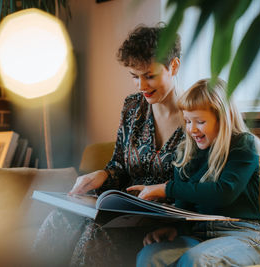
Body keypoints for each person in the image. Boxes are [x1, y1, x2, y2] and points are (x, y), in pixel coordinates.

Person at [31, 24, 185, 266]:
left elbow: (198, 184)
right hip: (122, 215)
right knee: (58, 218)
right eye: (134, 76)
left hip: (161, 226)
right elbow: (120, 165)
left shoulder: (196, 118)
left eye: (149, 75)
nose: (141, 86)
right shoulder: (133, 107)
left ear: (173, 66)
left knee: (95, 234)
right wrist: (102, 175)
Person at [127, 78, 260, 266]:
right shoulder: (186, 152)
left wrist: (167, 188)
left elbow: (224, 192)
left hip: (242, 235)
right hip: (197, 234)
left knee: (197, 260)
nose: (192, 129)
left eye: (200, 122)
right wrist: (176, 229)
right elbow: (186, 207)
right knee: (150, 256)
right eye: (187, 121)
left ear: (223, 119)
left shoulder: (243, 145)